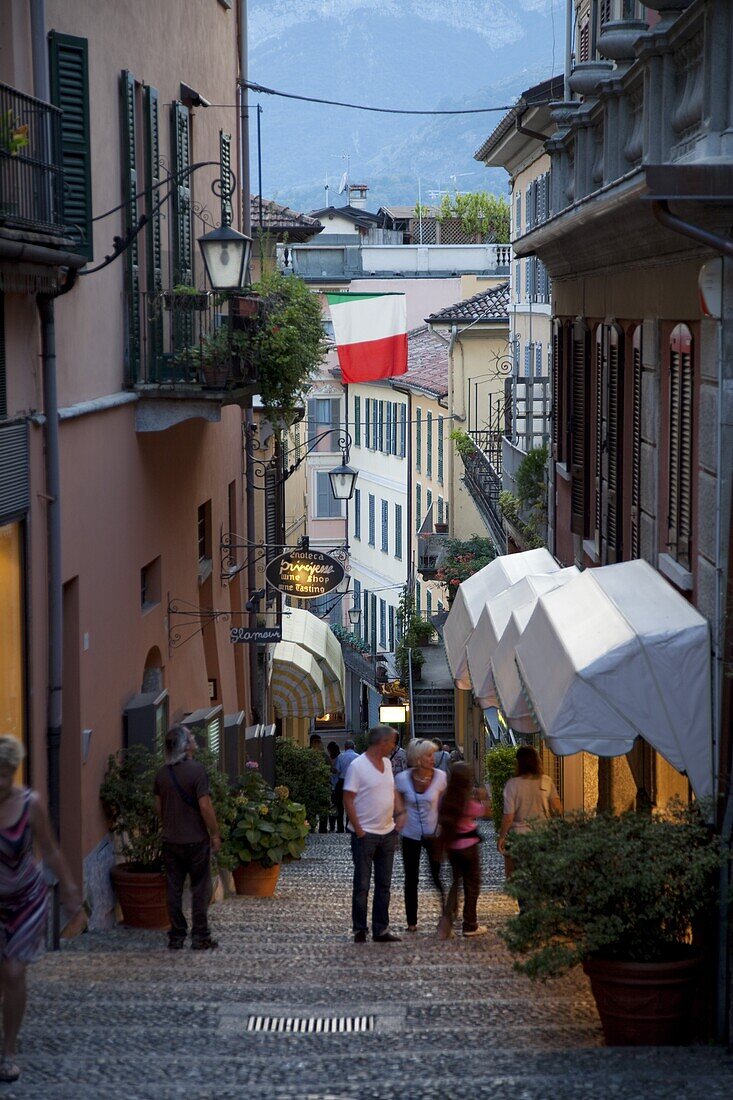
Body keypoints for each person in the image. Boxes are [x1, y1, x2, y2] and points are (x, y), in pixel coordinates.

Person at [0, 735, 84, 1083]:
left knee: (14, 972)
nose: (0, 781)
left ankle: (9, 1051)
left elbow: (49, 850)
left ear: (15, 771)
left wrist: (69, 888)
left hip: (25, 900)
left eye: (6, 773)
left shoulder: (30, 804)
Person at [153, 725, 221, 951]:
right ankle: (200, 936)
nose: (194, 738)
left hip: (171, 841)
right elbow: (205, 805)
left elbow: (158, 807)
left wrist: (171, 824)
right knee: (200, 889)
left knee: (173, 889)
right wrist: (215, 833)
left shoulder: (162, 774)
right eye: (191, 737)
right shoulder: (197, 771)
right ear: (186, 746)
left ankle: (176, 935)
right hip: (196, 840)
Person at [343, 726, 406, 943]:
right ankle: (360, 928)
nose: (393, 746)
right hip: (365, 834)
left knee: (384, 885)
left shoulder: (387, 764)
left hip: (387, 832)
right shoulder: (357, 766)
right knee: (362, 885)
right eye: (391, 742)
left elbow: (392, 790)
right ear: (382, 742)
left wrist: (400, 811)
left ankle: (381, 928)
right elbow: (348, 798)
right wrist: (358, 828)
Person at [394, 739, 446, 932]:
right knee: (411, 878)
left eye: (433, 755)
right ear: (417, 758)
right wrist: (397, 820)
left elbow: (446, 805)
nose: (432, 759)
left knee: (437, 876)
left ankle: (445, 915)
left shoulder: (441, 778)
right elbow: (395, 804)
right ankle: (411, 922)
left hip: (434, 835)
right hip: (410, 834)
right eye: (428, 755)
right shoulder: (402, 779)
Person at [437, 762, 491, 939]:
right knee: (472, 885)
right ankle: (470, 924)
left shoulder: (446, 799)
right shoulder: (467, 802)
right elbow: (487, 811)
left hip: (453, 848)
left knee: (456, 883)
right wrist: (483, 796)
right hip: (469, 847)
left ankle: (446, 921)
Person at [497, 746, 562, 875]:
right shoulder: (546, 781)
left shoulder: (512, 784)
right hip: (543, 833)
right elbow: (558, 809)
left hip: (520, 836)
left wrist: (502, 837)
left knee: (521, 874)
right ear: (537, 761)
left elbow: (509, 816)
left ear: (519, 763)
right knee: (540, 874)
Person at [310, 733, 331, 833]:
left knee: (320, 807)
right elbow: (330, 768)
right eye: (317, 742)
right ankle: (318, 827)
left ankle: (318, 827)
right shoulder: (323, 755)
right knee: (318, 807)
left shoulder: (310, 753)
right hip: (319, 785)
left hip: (319, 785)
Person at [326, 741, 341, 832]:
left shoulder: (331, 759)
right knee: (337, 806)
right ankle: (338, 826)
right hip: (337, 784)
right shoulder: (339, 758)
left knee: (333, 806)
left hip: (332, 785)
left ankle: (332, 826)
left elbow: (336, 771)